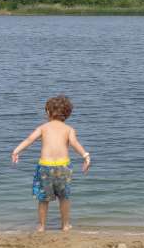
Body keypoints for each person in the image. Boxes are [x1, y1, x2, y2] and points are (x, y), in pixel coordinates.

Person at [11, 95, 90, 232]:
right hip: (63, 166)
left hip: (45, 167)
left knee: (43, 199)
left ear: (48, 111)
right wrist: (85, 156)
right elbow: (74, 143)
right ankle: (65, 225)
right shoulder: (69, 129)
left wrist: (16, 151)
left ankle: (41, 226)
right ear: (67, 114)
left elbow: (29, 140)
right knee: (64, 197)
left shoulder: (43, 127)